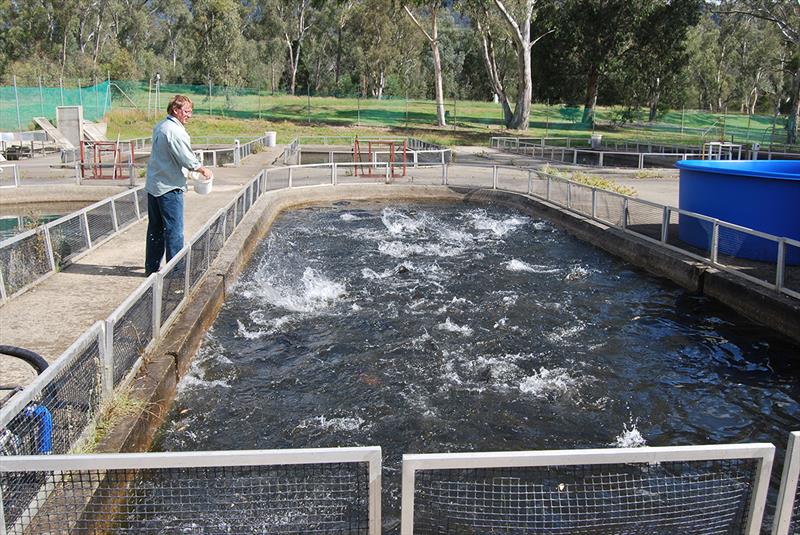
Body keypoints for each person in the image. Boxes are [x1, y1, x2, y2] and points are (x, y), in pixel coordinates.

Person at [144, 95, 212, 276]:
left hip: (154, 185)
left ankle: (151, 268)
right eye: (187, 111)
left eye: (191, 112)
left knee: (155, 229)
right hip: (169, 187)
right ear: (176, 110)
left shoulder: (160, 126)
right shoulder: (175, 131)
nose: (189, 115)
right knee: (174, 231)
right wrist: (202, 169)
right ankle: (176, 271)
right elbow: (185, 156)